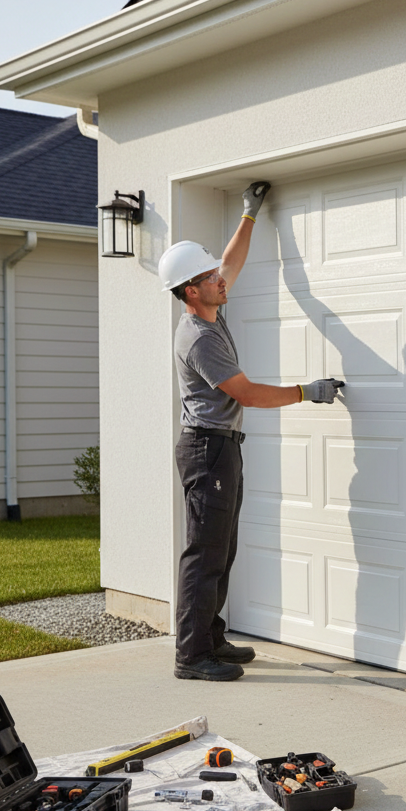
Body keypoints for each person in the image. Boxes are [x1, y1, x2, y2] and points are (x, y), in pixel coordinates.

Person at [158, 181, 343, 682]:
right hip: (207, 450)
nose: (222, 278)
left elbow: (231, 263)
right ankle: (192, 656)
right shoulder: (198, 337)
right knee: (204, 552)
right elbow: (248, 394)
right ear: (191, 290)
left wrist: (249, 215)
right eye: (209, 275)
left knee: (223, 547)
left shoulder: (210, 310)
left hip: (221, 448)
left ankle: (211, 637)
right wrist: (309, 391)